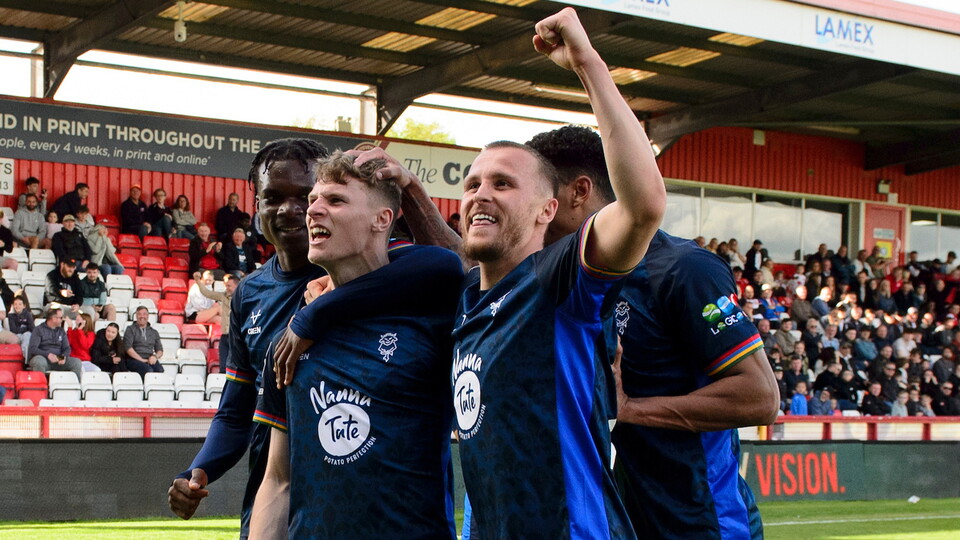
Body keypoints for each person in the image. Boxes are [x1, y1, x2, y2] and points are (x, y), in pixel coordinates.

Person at [426, 10, 668, 538]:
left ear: (547, 211)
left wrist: (587, 64)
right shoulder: (469, 303)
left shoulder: (557, 280)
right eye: (471, 185)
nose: (480, 194)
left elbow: (645, 204)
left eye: (504, 184)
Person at [528, 122, 775, 537]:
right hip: (626, 520)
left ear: (578, 193)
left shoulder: (682, 269)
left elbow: (760, 396)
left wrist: (626, 409)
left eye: (540, 199)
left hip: (705, 525)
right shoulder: (559, 281)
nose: (535, 214)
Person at [250, 152, 463, 538]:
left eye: (335, 200)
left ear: (383, 220)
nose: (312, 210)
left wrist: (411, 188)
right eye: (314, 199)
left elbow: (454, 265)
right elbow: (278, 480)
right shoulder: (288, 343)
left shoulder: (430, 314)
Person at [168, 138, 331, 538]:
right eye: (273, 196)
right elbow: (236, 411)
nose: (289, 210)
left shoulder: (359, 273)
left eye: (305, 196)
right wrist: (198, 470)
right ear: (255, 205)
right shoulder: (248, 294)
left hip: (343, 501)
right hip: (270, 503)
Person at [192, 272, 237, 374]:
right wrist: (198, 281)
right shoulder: (223, 296)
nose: (227, 288)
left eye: (229, 286)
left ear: (236, 286)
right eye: (226, 286)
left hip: (236, 337)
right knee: (223, 367)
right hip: (225, 336)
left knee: (234, 367)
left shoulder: (243, 299)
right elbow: (207, 293)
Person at [28, 308, 81, 380]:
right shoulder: (38, 330)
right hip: (44, 358)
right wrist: (47, 354)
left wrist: (63, 356)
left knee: (76, 362)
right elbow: (33, 348)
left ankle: (74, 388)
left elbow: (67, 348)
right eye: (61, 318)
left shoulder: (61, 331)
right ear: (54, 318)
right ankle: (40, 387)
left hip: (58, 359)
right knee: (38, 361)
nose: (62, 319)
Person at [122, 306, 164, 378]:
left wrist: (155, 357)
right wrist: (142, 360)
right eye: (139, 314)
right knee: (148, 370)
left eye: (144, 314)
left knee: (160, 370)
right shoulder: (130, 329)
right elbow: (128, 348)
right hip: (133, 359)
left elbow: (160, 350)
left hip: (149, 358)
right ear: (136, 316)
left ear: (148, 316)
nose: (142, 316)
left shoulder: (154, 332)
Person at [8, 296, 34, 360]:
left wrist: (22, 329)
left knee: (27, 335)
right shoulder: (11, 315)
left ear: (24, 306)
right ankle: (23, 357)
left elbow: (32, 328)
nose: (17, 306)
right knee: (21, 335)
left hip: (27, 334)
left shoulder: (28, 314)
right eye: (15, 304)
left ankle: (24, 357)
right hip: (17, 335)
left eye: (20, 304)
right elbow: (13, 330)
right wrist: (25, 328)